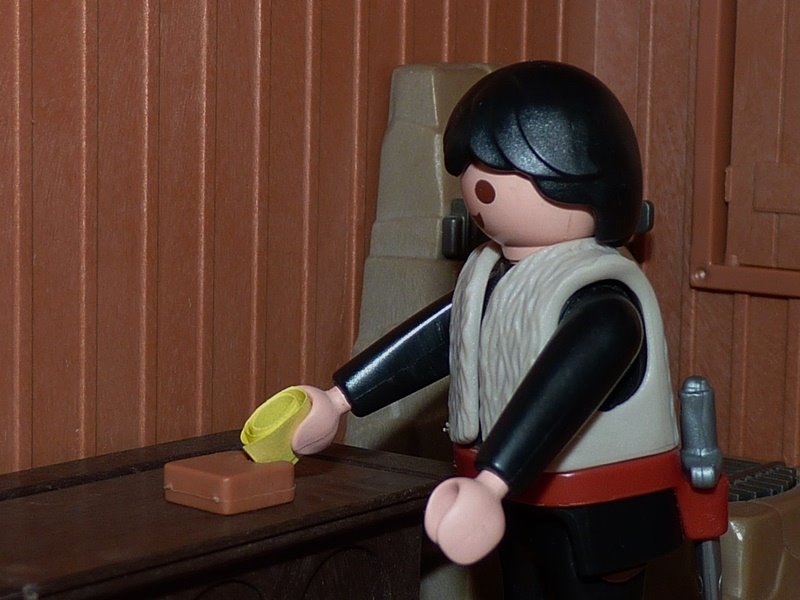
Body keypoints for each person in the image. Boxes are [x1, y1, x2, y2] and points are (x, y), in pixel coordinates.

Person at [286, 61, 684, 599]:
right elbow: (435, 339)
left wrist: (495, 480)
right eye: (473, 169)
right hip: (515, 498)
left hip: (598, 512)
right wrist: (340, 399)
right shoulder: (492, 272)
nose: (478, 189)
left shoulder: (603, 301)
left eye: (500, 170)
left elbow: (558, 396)